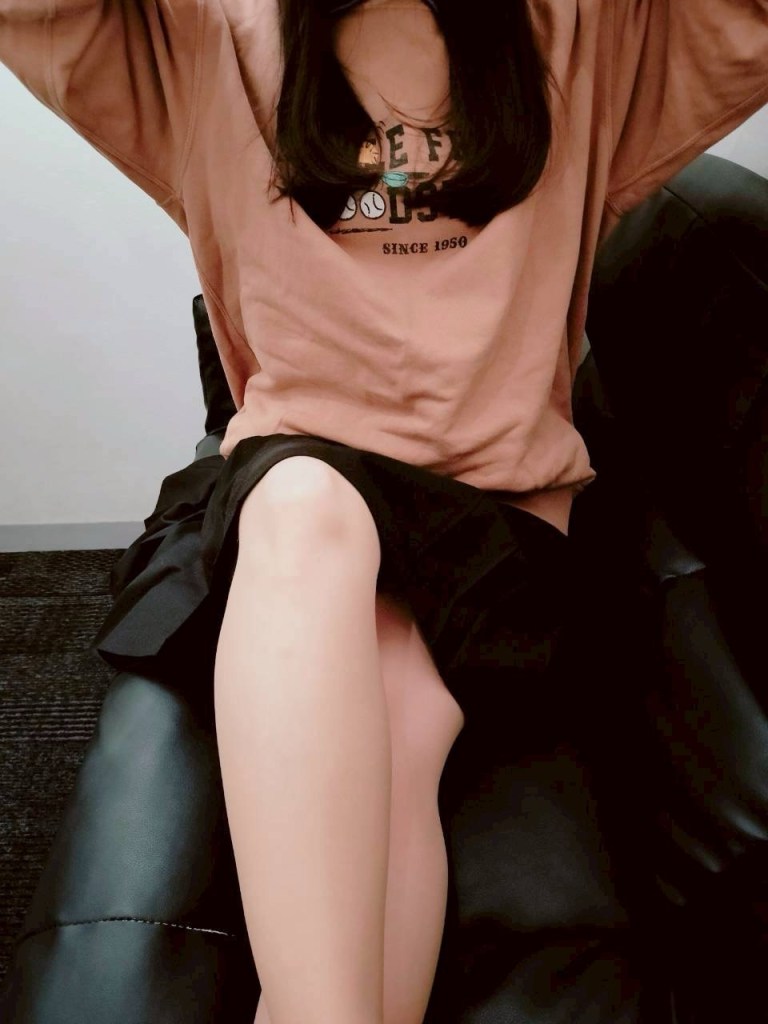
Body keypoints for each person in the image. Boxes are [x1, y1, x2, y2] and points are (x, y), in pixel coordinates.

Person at [1, 1, 767, 1022]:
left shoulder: (583, 31)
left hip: (498, 517)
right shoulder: (208, 36)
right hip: (302, 481)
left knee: (404, 723)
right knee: (308, 510)